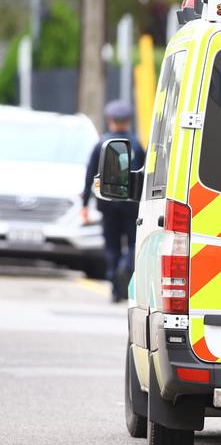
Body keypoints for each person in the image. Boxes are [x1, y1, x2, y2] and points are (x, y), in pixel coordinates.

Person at [81, 100, 145, 303]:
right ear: (128, 121)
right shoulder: (136, 145)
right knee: (134, 241)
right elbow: (145, 175)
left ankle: (114, 286)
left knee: (111, 245)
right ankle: (125, 267)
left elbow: (90, 175)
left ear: (110, 121)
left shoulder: (101, 144)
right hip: (131, 204)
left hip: (107, 203)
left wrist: (84, 204)